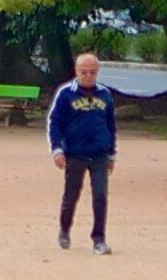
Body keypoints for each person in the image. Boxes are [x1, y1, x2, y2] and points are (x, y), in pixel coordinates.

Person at [47, 51, 117, 254]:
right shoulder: (66, 93)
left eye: (92, 72)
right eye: (84, 72)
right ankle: (65, 228)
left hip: (99, 154)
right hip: (74, 153)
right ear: (77, 71)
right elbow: (55, 123)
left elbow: (111, 125)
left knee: (100, 195)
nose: (88, 76)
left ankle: (99, 238)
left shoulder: (105, 94)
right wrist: (57, 149)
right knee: (71, 194)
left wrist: (112, 153)